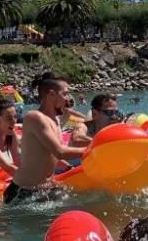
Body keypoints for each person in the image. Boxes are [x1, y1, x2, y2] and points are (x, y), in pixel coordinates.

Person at [5, 73, 87, 204]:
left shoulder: (56, 120)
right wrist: (93, 149)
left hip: (45, 187)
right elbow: (59, 152)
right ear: (51, 94)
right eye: (65, 94)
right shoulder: (34, 117)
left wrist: (69, 168)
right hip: (23, 192)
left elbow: (47, 155)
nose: (68, 99)